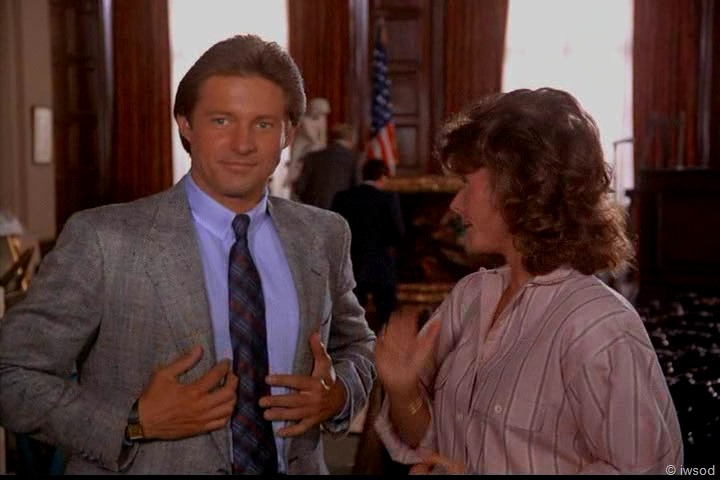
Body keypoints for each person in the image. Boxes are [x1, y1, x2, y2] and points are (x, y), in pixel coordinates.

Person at [0, 34, 376, 475]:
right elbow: (11, 374)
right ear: (185, 124)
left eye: (262, 124)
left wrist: (338, 396)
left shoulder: (324, 235)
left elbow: (357, 346)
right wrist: (134, 422)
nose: (242, 143)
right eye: (221, 120)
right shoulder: (102, 240)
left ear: (288, 133)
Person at [373, 88, 683, 474]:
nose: (455, 203)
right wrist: (403, 392)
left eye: (467, 183)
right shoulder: (469, 297)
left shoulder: (598, 325)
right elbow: (434, 446)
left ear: (518, 188)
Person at [331, 159, 404, 331]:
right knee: (387, 318)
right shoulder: (388, 198)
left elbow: (332, 231)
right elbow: (397, 234)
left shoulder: (343, 198)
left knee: (350, 319)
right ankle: (386, 346)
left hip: (351, 265)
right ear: (383, 176)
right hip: (381, 267)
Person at [294, 123, 360, 210]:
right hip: (338, 211)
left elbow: (300, 187)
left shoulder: (313, 157)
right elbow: (356, 191)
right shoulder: (352, 159)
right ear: (351, 140)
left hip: (312, 209)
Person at [284, 97, 331, 193]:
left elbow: (323, 136)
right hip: (302, 144)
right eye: (320, 112)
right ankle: (291, 182)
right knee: (295, 162)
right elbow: (311, 137)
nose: (321, 115)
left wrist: (323, 149)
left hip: (315, 145)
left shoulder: (321, 119)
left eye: (323, 114)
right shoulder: (305, 119)